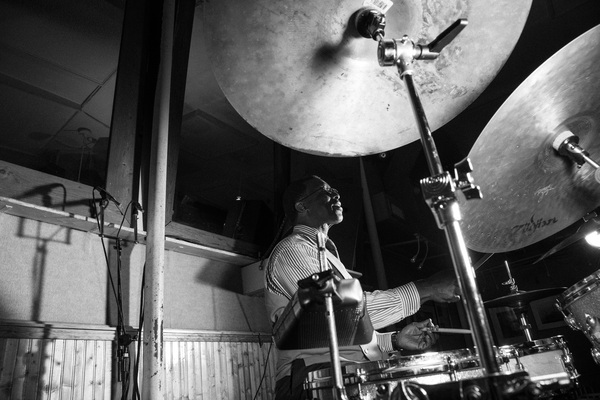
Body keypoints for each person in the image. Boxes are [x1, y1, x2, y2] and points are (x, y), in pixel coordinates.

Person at [264, 175, 462, 399]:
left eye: (334, 189)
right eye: (326, 191)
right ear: (301, 206)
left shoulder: (326, 254)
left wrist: (394, 340)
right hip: (313, 378)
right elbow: (341, 314)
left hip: (341, 373)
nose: (336, 194)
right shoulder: (292, 249)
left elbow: (350, 332)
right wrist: (426, 288)